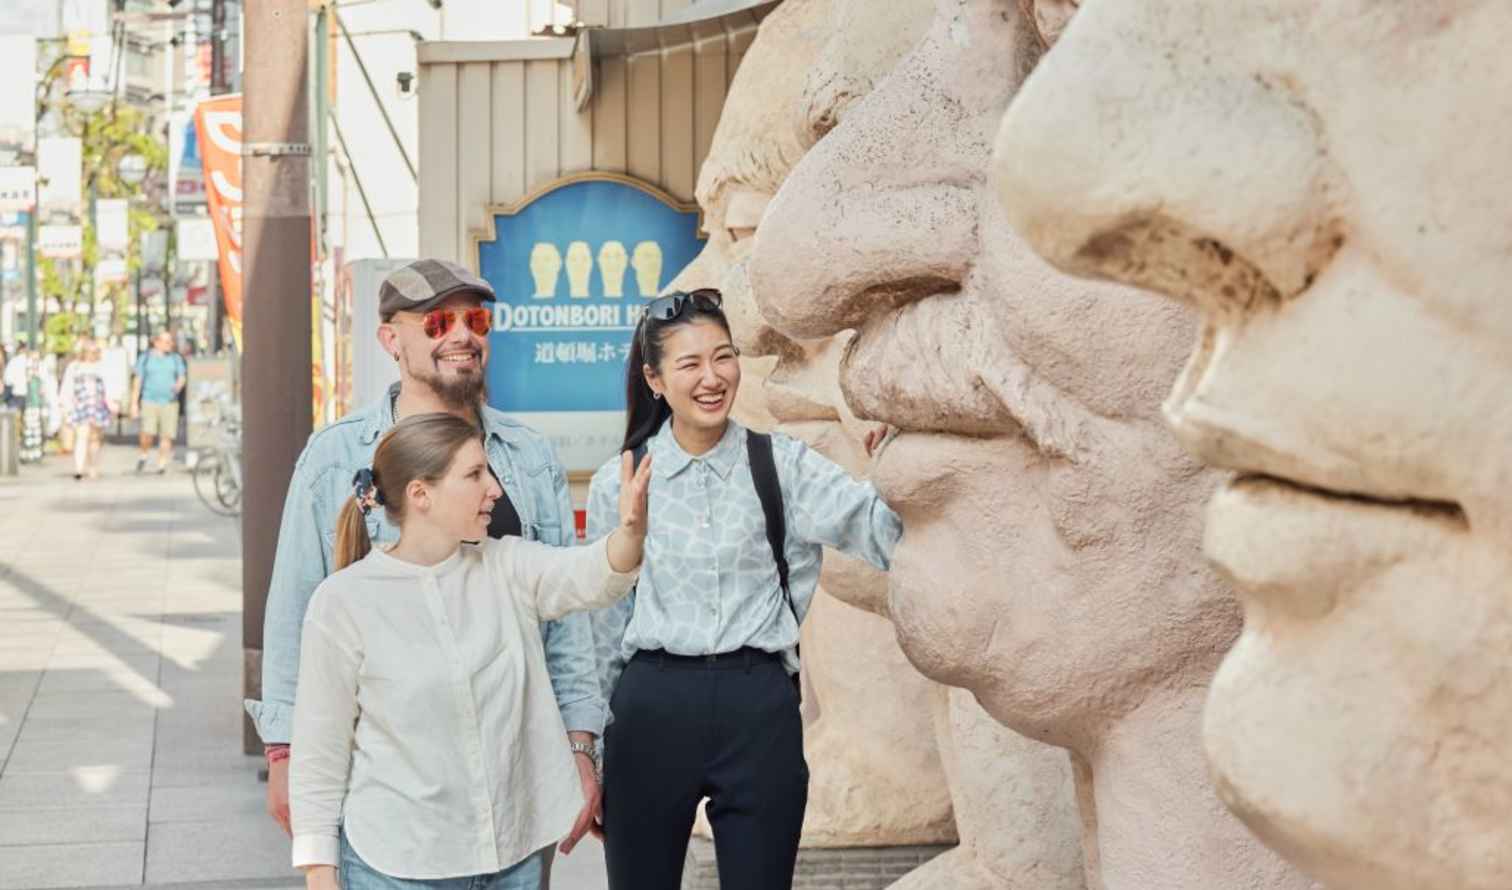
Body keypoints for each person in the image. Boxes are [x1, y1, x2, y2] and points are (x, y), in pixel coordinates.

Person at [246, 258, 607, 884]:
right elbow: (296, 612)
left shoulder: (527, 454)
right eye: (439, 321)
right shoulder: (335, 457)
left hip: (511, 793)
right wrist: (285, 753)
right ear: (391, 338)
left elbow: (567, 625)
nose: (461, 336)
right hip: (397, 806)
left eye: (477, 320)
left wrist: (580, 742)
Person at [586, 289, 902, 890]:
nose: (712, 377)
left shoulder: (782, 464)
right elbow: (601, 626)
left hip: (758, 706)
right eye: (689, 364)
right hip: (650, 705)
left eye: (723, 357)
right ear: (654, 379)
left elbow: (883, 533)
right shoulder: (621, 481)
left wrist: (896, 460)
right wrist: (593, 752)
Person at [291, 412, 653, 890]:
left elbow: (591, 577)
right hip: (397, 865)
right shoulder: (342, 603)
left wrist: (630, 534)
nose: (495, 490)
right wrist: (320, 873)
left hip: (513, 858)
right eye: (475, 474)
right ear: (421, 494)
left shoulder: (507, 565)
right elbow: (320, 750)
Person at [58, 339, 122, 480]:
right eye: (90, 351)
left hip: (98, 406)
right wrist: (65, 405)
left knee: (95, 438)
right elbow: (67, 387)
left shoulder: (103, 367)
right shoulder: (74, 367)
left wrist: (113, 403)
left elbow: (111, 387)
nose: (93, 354)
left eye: (95, 352)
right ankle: (79, 468)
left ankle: (93, 466)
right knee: (82, 435)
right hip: (80, 406)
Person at [130, 330, 187, 473]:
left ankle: (161, 464)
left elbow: (182, 376)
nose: (170, 344)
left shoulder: (175, 358)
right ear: (156, 342)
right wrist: (134, 403)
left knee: (167, 434)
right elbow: (138, 380)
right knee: (147, 432)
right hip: (149, 400)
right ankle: (143, 454)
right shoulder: (146, 358)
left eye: (171, 341)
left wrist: (179, 384)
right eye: (166, 341)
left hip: (169, 401)